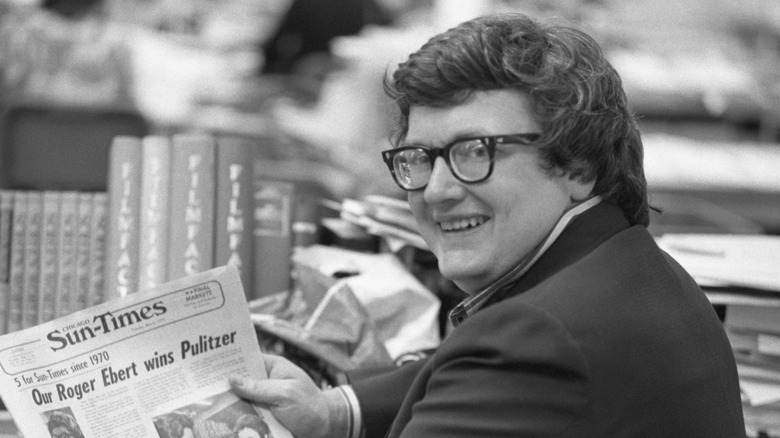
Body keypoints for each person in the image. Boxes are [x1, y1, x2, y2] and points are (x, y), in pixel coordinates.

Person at [230, 12, 746, 438]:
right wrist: (333, 411)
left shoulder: (535, 340)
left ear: (578, 167)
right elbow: (471, 374)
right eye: (420, 157)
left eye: (476, 152)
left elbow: (504, 364)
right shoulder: (630, 268)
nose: (436, 190)